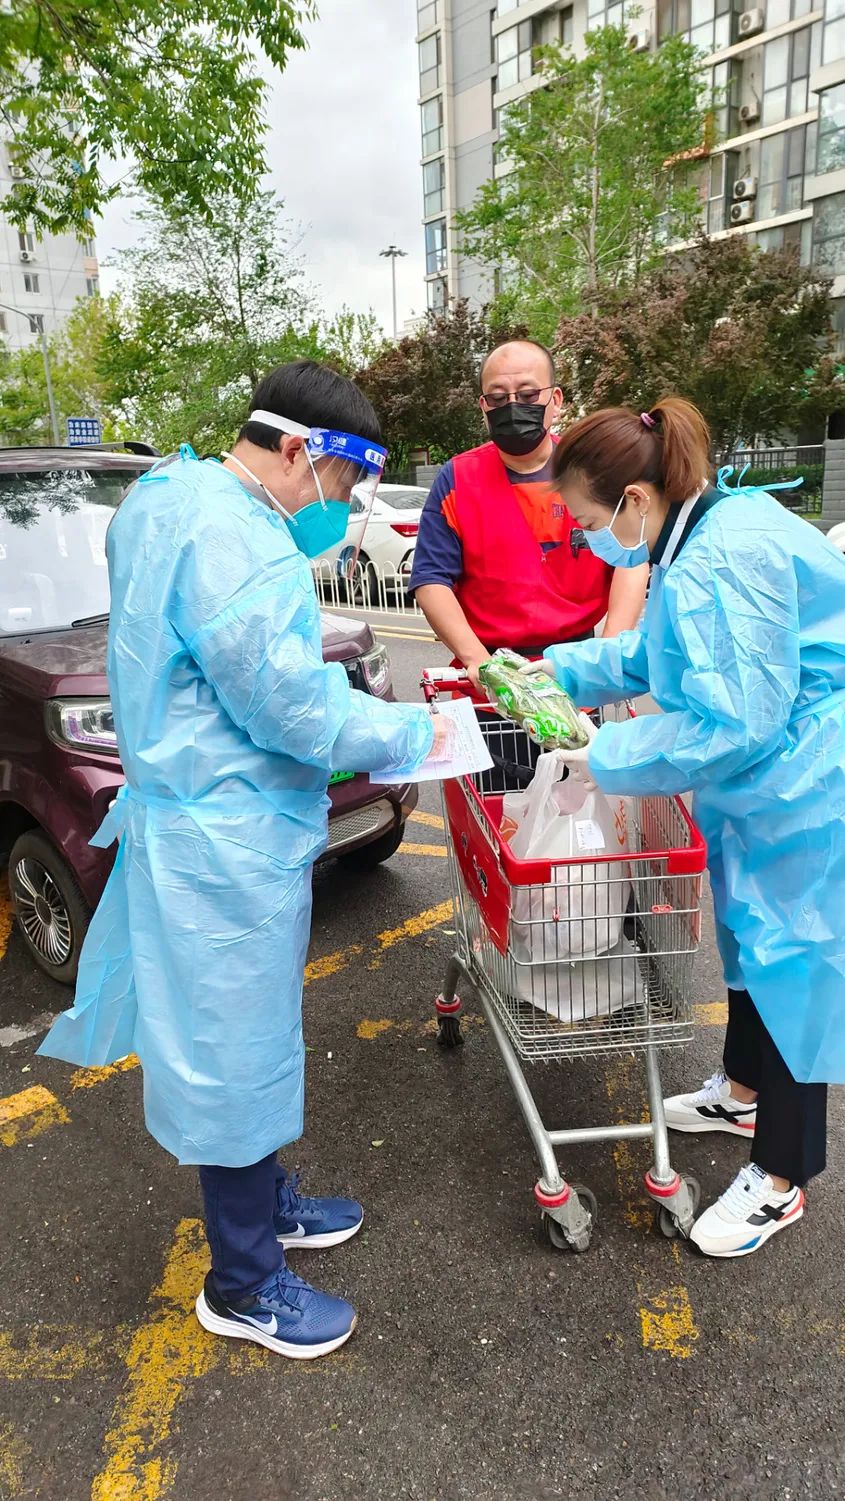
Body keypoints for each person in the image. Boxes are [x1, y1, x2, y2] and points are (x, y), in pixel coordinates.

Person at [38, 360, 450, 1357]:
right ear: (304, 452)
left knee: (250, 1033)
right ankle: (243, 1279)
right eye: (345, 485)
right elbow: (291, 705)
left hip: (214, 821)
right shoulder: (235, 538)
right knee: (231, 1051)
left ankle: (267, 1201)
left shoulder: (167, 495)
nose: (343, 508)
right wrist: (416, 737)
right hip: (224, 835)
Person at [540, 396, 845, 1259]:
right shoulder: (705, 530)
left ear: (634, 499)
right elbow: (654, 657)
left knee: (796, 960)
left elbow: (729, 722)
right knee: (753, 941)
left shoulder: (721, 561)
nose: (589, 535)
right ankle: (741, 1089)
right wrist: (556, 670)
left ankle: (779, 1176)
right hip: (775, 779)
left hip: (808, 777)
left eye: (589, 519)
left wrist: (602, 753)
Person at [409, 339, 648, 685]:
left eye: (527, 395)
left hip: (574, 674)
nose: (512, 406)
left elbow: (631, 559)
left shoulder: (595, 469)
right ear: (483, 406)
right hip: (491, 682)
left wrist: (606, 654)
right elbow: (431, 579)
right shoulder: (458, 480)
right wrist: (478, 662)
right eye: (498, 398)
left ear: (556, 400)